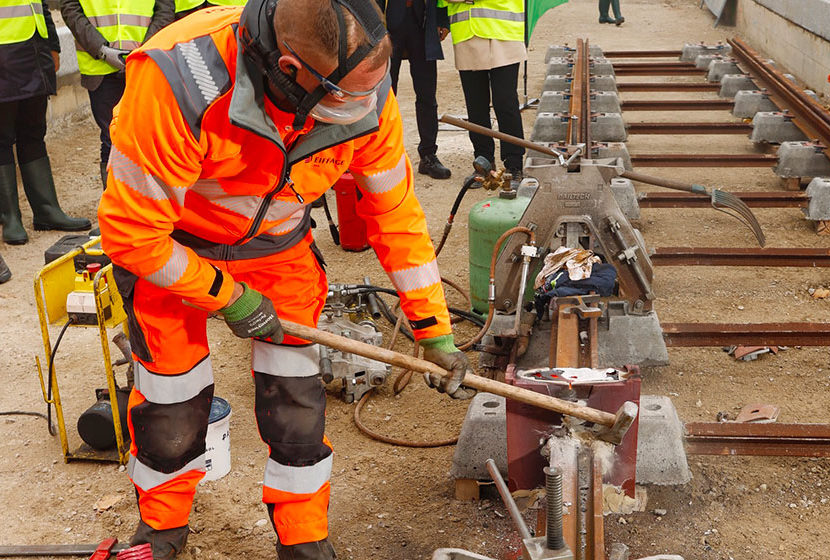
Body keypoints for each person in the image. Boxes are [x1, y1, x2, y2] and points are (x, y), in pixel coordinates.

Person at [96, 0, 476, 557]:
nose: (362, 112)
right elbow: (131, 235)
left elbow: (394, 215)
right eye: (345, 102)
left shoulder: (364, 93)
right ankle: (161, 531)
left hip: (280, 254)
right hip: (172, 252)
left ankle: (303, 540)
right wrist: (226, 297)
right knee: (170, 404)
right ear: (293, 72)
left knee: (296, 407)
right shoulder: (178, 79)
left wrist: (432, 329)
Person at [0, 0, 92, 244]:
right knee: (2, 138)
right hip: (3, 55)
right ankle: (10, 218)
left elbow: (38, 5)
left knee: (33, 132)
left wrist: (53, 46)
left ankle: (47, 210)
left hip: (34, 51)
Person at [60, 0, 174, 185]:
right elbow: (69, 7)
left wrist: (145, 48)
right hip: (100, 67)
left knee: (149, 138)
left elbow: (166, 7)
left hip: (146, 62)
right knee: (112, 139)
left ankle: (146, 203)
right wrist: (101, 49)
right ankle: (116, 207)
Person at [440, 0, 525, 178]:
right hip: (467, 34)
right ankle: (483, 161)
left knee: (505, 102)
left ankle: (514, 164)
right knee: (475, 105)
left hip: (503, 33)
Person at [377, 0, 451, 179]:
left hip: (421, 23)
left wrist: (442, 19)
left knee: (427, 94)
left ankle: (428, 155)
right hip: (387, 24)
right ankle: (383, 158)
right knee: (384, 97)